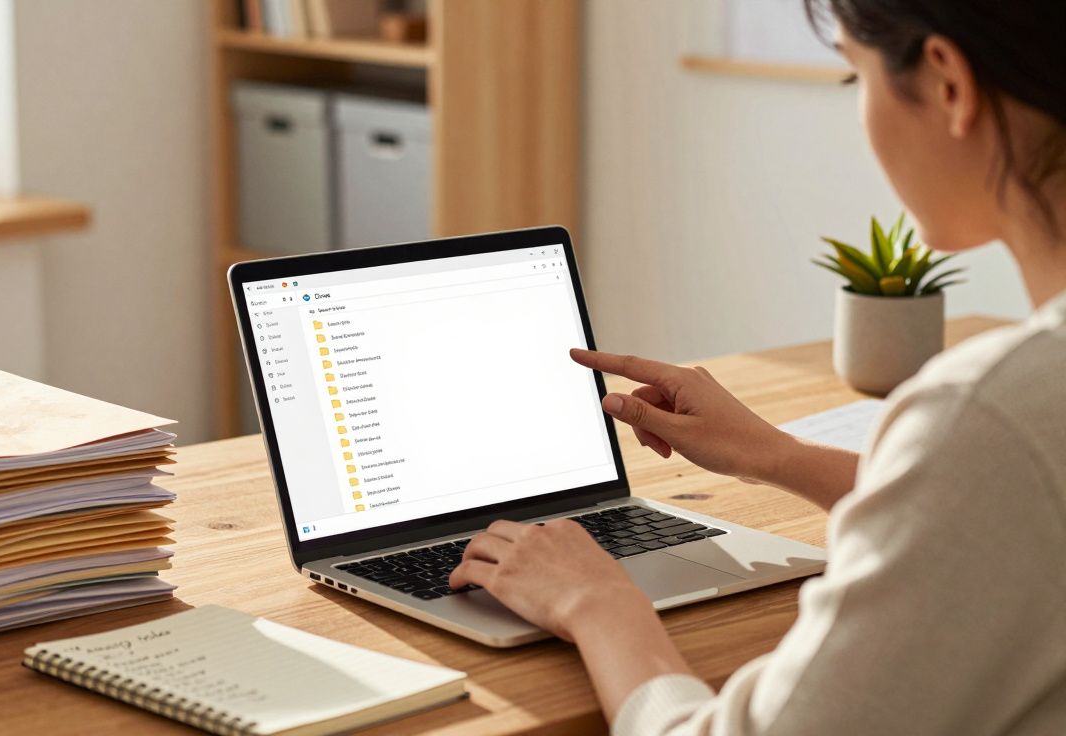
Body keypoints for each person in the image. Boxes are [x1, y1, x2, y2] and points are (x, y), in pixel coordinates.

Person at [447, 1, 1066, 733]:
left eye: (851, 78)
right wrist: (778, 456)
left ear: (948, 85)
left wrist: (597, 603)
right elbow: (1007, 509)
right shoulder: (1013, 421)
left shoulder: (989, 411)